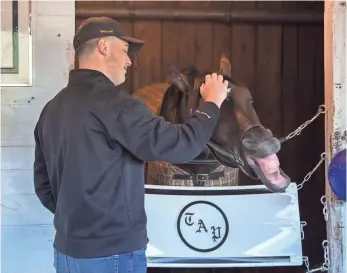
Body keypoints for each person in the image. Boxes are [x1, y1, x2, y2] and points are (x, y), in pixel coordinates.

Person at [33, 17, 228, 273]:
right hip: (113, 256)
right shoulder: (118, 106)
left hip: (67, 254)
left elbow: (43, 186)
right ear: (103, 46)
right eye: (125, 51)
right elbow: (183, 145)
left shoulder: (51, 110)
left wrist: (78, 223)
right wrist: (212, 103)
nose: (129, 61)